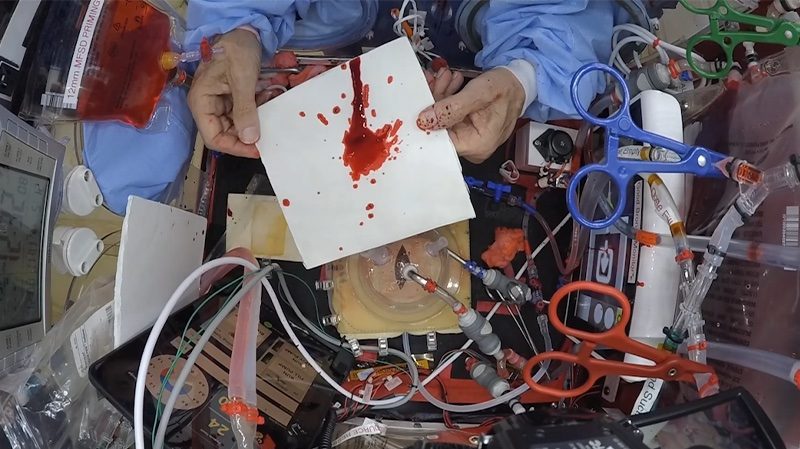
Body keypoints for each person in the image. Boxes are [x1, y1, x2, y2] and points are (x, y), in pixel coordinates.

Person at [186, 1, 640, 163]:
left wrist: (525, 77)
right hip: (319, 44)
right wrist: (239, 30)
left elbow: (571, 24)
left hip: (496, 60)